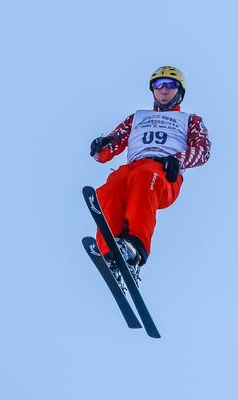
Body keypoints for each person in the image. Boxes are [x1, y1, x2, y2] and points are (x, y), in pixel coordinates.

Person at [89, 66, 211, 287]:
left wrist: (178, 159)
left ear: (180, 91)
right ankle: (111, 252)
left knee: (145, 178)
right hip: (133, 168)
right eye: (158, 85)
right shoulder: (138, 118)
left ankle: (135, 247)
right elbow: (110, 148)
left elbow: (203, 150)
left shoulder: (189, 120)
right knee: (111, 187)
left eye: (170, 85)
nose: (164, 90)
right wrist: (101, 146)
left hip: (163, 172)